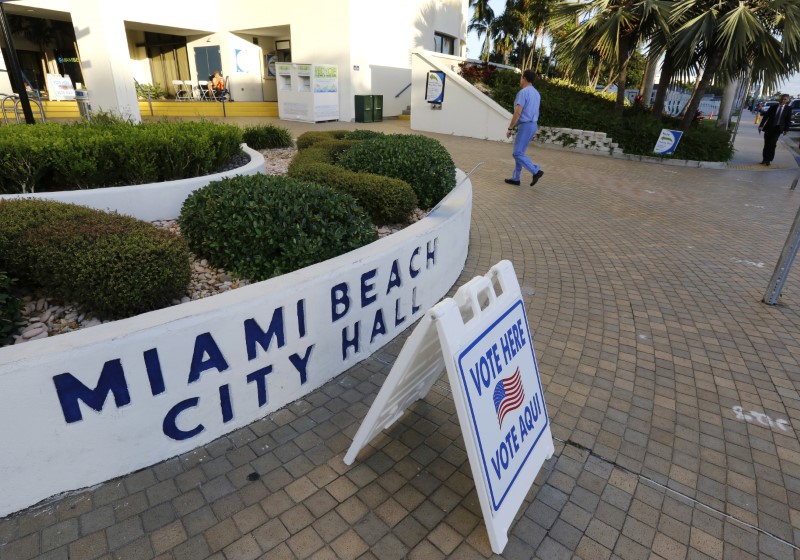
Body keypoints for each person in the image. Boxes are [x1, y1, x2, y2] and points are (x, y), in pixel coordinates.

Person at [505, 69, 544, 186]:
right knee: (520, 152)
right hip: (533, 125)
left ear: (525, 78)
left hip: (526, 125)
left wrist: (510, 128)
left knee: (517, 153)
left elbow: (518, 113)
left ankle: (536, 170)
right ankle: (516, 178)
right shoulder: (536, 93)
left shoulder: (523, 92)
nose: (520, 80)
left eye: (521, 77)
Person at [758, 94, 792, 165]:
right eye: (782, 99)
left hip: (778, 129)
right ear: (780, 99)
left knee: (772, 144)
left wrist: (786, 129)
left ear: (787, 100)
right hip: (769, 128)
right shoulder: (773, 107)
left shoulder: (788, 109)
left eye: (785, 99)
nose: (783, 100)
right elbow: (766, 117)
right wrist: (761, 126)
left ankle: (769, 159)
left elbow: (788, 120)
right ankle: (764, 159)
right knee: (766, 143)